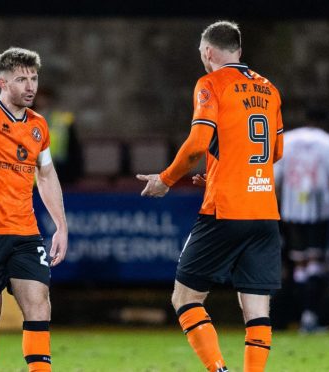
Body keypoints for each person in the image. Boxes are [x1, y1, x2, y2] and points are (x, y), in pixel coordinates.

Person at [137, 21, 283, 372]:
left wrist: (166, 179)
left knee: (185, 297)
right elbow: (274, 152)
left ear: (207, 52)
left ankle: (218, 369)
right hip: (265, 212)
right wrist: (222, 171)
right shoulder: (270, 89)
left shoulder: (211, 84)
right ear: (240, 51)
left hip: (226, 211)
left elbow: (198, 145)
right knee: (256, 309)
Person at [0, 47, 68, 371]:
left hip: (25, 233)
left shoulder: (39, 126)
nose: (30, 85)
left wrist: (61, 226)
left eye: (33, 78)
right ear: (3, 83)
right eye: (22, 79)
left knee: (39, 306)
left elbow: (46, 174)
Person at [273, 108, 329, 332]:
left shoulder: (286, 140)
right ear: (322, 123)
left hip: (291, 211)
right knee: (315, 264)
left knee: (299, 266)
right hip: (318, 211)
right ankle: (310, 316)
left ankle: (299, 316)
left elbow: (275, 178)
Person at [32, 87, 83, 186]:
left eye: (45, 98)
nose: (43, 101)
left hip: (59, 169)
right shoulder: (24, 118)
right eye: (40, 98)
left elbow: (73, 146)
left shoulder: (63, 119)